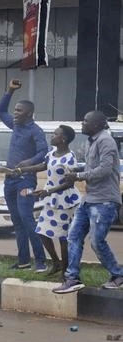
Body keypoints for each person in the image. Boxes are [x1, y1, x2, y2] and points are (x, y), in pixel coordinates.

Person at [52, 111, 123, 293]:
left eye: (85, 121)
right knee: (73, 236)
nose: (82, 124)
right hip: (89, 199)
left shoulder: (106, 141)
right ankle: (72, 278)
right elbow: (93, 167)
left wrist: (78, 176)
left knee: (97, 241)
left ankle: (118, 275)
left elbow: (105, 170)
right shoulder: (92, 141)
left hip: (104, 201)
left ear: (98, 125)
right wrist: (77, 169)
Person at [0, 79, 49, 272]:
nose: (15, 113)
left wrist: (28, 162)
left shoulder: (36, 131)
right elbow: (1, 112)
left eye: (19, 110)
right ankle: (24, 261)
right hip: (9, 179)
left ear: (28, 113)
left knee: (27, 218)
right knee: (17, 221)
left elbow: (44, 152)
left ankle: (41, 262)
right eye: (15, 110)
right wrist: (9, 90)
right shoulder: (16, 124)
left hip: (25, 180)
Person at [18, 125, 80, 277]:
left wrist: (48, 191)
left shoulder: (70, 158)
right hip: (51, 199)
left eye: (55, 134)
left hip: (65, 201)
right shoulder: (52, 152)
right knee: (42, 231)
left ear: (63, 139)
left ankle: (65, 271)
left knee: (63, 237)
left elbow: (70, 183)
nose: (52, 136)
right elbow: (43, 165)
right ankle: (56, 263)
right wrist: (23, 169)